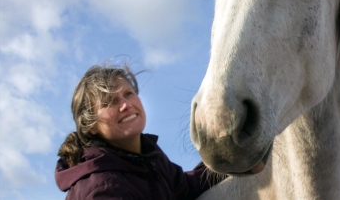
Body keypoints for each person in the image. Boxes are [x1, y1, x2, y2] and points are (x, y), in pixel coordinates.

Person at [55, 64, 223, 199]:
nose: (126, 104)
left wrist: (231, 158)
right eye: (110, 102)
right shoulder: (104, 189)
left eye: (128, 93)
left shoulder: (146, 155)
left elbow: (184, 187)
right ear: (91, 126)